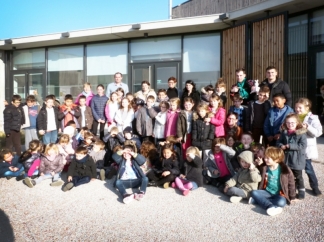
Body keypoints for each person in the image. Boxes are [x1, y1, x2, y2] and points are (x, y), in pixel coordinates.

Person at [250, 147, 297, 216]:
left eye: (268, 158)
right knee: (254, 192)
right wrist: (258, 164)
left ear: (277, 159)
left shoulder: (285, 169)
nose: (265, 159)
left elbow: (291, 183)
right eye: (265, 157)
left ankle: (258, 201)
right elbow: (259, 174)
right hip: (267, 192)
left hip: (279, 193)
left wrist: (292, 196)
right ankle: (270, 206)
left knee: (281, 203)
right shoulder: (265, 167)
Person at [295, 98, 322, 196]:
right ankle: (299, 186)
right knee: (296, 169)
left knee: (308, 169)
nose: (297, 109)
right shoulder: (294, 117)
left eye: (300, 107)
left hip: (306, 149)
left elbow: (318, 132)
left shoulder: (313, 118)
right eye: (296, 107)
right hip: (295, 148)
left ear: (307, 108)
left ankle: (315, 187)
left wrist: (307, 127)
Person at [276, 113, 307, 199]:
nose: (290, 125)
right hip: (286, 159)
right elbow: (278, 142)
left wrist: (290, 146)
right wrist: (280, 145)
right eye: (288, 123)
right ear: (285, 123)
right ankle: (290, 190)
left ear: (297, 122)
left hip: (297, 159)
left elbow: (303, 145)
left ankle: (301, 190)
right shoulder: (284, 133)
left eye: (292, 123)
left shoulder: (301, 133)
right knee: (288, 175)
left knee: (298, 176)